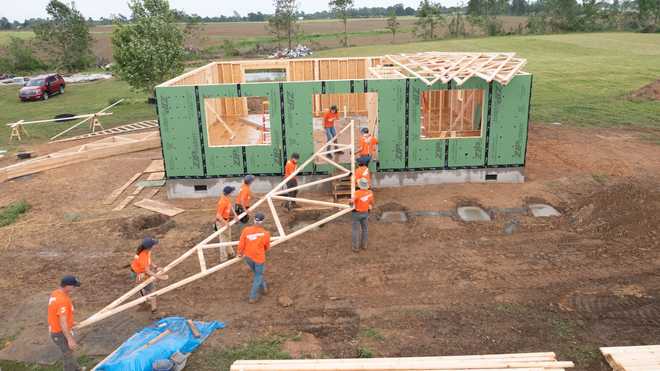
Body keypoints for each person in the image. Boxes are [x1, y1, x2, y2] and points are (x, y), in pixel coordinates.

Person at [48, 275, 83, 371]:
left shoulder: (56, 293)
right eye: (74, 286)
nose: (75, 288)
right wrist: (70, 339)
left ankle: (77, 369)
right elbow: (62, 322)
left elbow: (56, 313)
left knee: (69, 353)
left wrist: (71, 322)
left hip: (57, 329)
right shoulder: (62, 301)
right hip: (59, 333)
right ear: (67, 286)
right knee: (68, 355)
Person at [237, 212, 272, 304]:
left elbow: (241, 244)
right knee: (258, 275)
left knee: (257, 273)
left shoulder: (246, 230)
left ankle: (264, 288)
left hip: (248, 257)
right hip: (259, 259)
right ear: (263, 221)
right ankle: (252, 297)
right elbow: (267, 247)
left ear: (254, 220)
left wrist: (239, 253)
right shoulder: (266, 234)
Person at [130, 237, 167, 315]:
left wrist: (156, 267)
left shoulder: (145, 251)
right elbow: (147, 271)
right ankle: (154, 311)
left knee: (141, 288)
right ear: (150, 247)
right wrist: (160, 277)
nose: (154, 246)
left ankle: (144, 301)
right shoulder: (143, 256)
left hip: (136, 271)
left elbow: (149, 261)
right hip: (139, 274)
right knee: (151, 289)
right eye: (153, 245)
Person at [351, 178, 374, 252]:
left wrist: (350, 203)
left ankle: (355, 247)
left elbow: (351, 202)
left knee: (355, 230)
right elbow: (371, 202)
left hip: (357, 214)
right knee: (365, 229)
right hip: (366, 213)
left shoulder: (357, 192)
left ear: (359, 185)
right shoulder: (370, 192)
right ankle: (364, 245)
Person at [216, 185, 238, 261]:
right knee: (222, 240)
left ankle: (230, 253)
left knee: (228, 238)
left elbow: (230, 207)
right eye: (231, 191)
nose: (232, 193)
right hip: (221, 223)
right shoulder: (222, 202)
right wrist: (225, 223)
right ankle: (223, 258)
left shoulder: (227, 199)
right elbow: (218, 216)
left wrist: (235, 215)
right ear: (229, 193)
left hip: (226, 221)